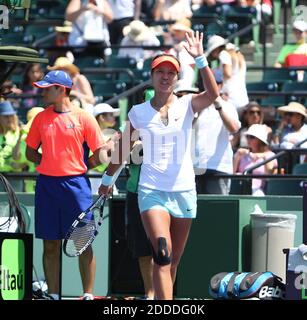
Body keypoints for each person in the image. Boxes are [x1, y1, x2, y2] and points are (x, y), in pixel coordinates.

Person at [99, 31, 219, 300]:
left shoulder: (188, 104)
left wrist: (200, 58)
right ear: (152, 76)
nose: (165, 76)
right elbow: (122, 150)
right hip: (151, 191)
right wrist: (107, 181)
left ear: (177, 78)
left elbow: (213, 93)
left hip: (185, 191)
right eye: (160, 72)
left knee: (172, 263)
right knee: (161, 255)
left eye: (171, 73)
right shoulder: (138, 112)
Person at [25, 70, 108, 300]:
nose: (42, 92)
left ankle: (88, 295)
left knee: (82, 242)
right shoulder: (41, 118)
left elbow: (100, 153)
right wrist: (49, 163)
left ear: (61, 90)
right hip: (47, 186)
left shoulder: (84, 117)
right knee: (49, 244)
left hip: (76, 186)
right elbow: (29, 152)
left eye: (47, 88)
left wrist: (81, 165)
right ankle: (53, 295)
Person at [193, 70, 241, 194]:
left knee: (218, 210)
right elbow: (186, 128)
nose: (209, 87)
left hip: (219, 167)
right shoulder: (195, 105)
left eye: (213, 84)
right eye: (207, 84)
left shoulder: (229, 106)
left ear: (219, 85)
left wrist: (219, 107)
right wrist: (201, 107)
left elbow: (234, 129)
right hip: (195, 167)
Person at [206, 35, 249, 112]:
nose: (212, 54)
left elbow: (227, 73)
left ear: (216, 48)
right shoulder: (239, 55)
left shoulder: (223, 54)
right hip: (242, 98)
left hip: (230, 99)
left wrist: (214, 72)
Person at [233, 124, 277, 196]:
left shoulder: (270, 155)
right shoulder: (241, 153)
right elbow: (232, 173)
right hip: (239, 187)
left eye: (252, 137)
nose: (248, 139)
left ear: (260, 140)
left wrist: (263, 156)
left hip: (258, 191)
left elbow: (268, 176)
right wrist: (237, 156)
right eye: (247, 136)